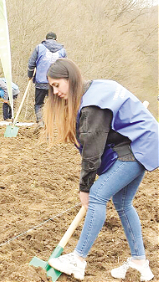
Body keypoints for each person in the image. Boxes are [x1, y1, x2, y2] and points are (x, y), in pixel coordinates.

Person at [43, 59, 158, 281]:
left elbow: (92, 153)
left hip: (136, 148)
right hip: (141, 144)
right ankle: (139, 262)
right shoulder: (96, 89)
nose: (55, 91)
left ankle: (77, 259)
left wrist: (84, 188)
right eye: (52, 87)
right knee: (123, 203)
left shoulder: (93, 105)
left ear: (71, 79)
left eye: (57, 85)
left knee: (96, 196)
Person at [28, 31, 67, 126]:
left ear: (45, 39)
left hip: (41, 81)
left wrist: (29, 75)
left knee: (38, 104)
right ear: (56, 40)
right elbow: (66, 66)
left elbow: (31, 63)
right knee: (54, 104)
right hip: (56, 84)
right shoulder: (62, 50)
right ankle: (52, 123)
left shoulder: (39, 48)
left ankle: (40, 121)